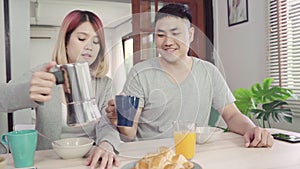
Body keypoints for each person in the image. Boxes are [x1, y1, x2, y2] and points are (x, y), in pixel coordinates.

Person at [105, 3, 273, 148]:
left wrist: (251, 129)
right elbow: (130, 132)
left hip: (193, 153)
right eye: (161, 35)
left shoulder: (209, 72)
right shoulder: (140, 73)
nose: (168, 42)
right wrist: (120, 120)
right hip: (150, 156)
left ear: (190, 34)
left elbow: (232, 115)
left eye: (175, 33)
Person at [9, 10, 119, 169]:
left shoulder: (105, 84)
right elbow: (3, 98)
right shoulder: (44, 74)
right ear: (65, 41)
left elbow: (107, 125)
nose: (89, 46)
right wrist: (27, 90)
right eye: (82, 38)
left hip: (89, 162)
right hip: (48, 162)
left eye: (96, 42)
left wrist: (107, 144)